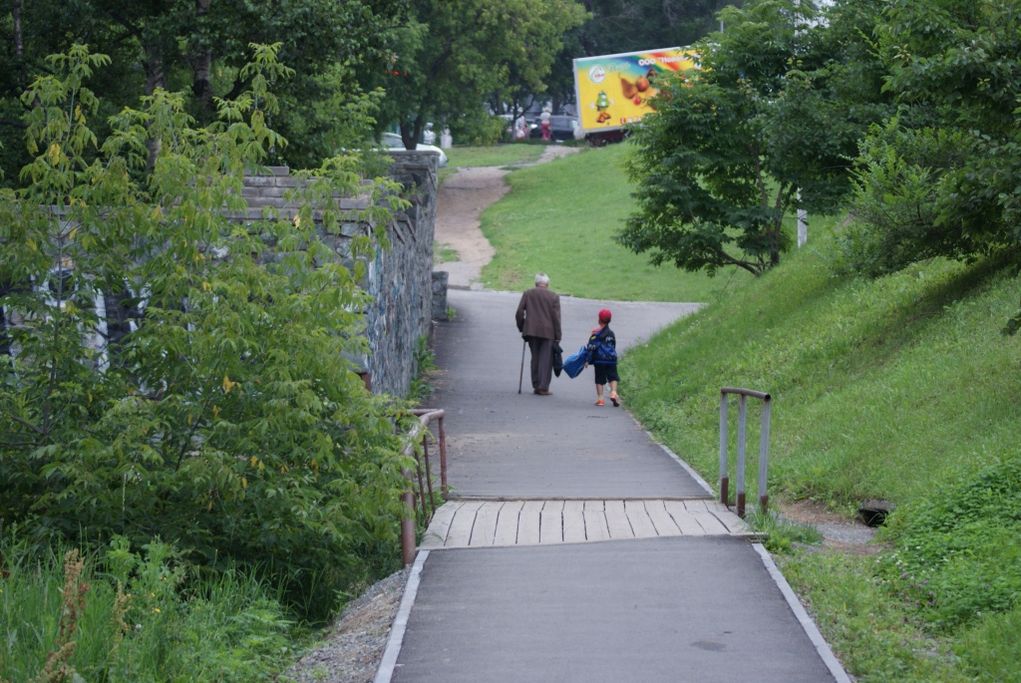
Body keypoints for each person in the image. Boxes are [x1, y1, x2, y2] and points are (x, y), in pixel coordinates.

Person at [515, 273, 562, 395]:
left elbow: (519, 312)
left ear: (536, 283)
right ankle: (542, 387)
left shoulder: (528, 293)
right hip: (548, 332)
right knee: (546, 359)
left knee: (535, 357)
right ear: (547, 284)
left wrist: (522, 327)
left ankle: (536, 384)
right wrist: (558, 336)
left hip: (531, 331)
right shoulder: (553, 296)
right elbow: (556, 318)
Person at [586, 308, 619, 407]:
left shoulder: (595, 333)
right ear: (610, 320)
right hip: (611, 360)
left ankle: (600, 399)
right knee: (613, 377)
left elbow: (591, 347)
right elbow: (613, 345)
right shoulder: (611, 333)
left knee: (599, 379)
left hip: (599, 360)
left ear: (599, 320)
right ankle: (613, 392)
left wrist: (587, 359)